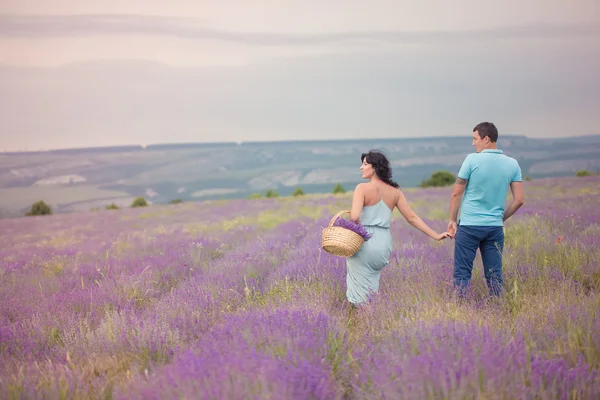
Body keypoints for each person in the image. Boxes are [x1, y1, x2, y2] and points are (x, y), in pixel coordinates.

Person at [346, 150, 451, 306]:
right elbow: (412, 218)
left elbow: (354, 217)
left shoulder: (362, 188)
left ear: (374, 167)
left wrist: (353, 223)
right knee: (371, 283)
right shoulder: (395, 191)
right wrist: (436, 235)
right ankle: (371, 316)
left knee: (358, 288)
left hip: (364, 240)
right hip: (383, 243)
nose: (361, 167)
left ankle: (360, 320)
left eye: (365, 164)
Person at [448, 122, 525, 297]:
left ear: (486, 139)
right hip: (494, 228)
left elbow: (456, 193)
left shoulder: (471, 159)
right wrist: (501, 218)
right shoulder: (512, 164)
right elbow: (519, 200)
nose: (473, 143)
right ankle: (499, 309)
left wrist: (452, 220)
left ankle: (459, 311)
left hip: (469, 226)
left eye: (475, 139)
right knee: (494, 275)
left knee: (462, 273)